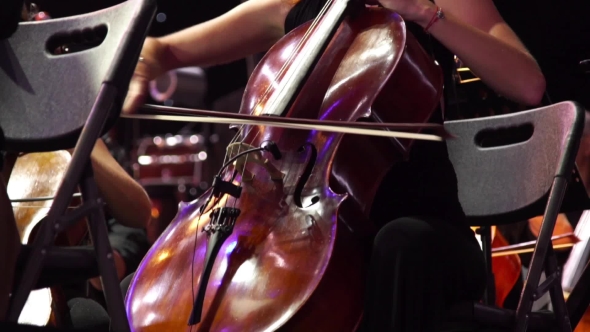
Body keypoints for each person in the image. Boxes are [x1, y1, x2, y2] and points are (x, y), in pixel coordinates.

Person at [122, 0, 546, 330]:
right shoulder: (296, 6)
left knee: (399, 244)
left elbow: (527, 83)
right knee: (161, 283)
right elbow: (165, 49)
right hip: (299, 228)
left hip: (423, 232)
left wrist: (424, 13)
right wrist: (145, 63)